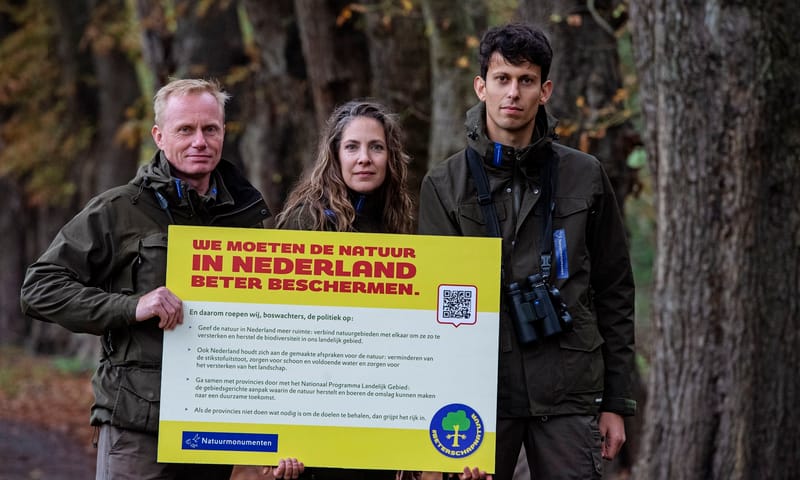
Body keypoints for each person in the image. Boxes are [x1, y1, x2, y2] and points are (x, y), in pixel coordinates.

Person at [19, 78, 303, 480]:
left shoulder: (249, 219)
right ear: (159, 136)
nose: (199, 141)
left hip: (212, 425)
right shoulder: (119, 209)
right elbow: (39, 289)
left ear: (224, 132)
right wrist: (132, 306)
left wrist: (278, 433)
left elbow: (271, 330)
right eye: (185, 129)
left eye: (210, 129)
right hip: (138, 424)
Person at [417, 23, 637, 480]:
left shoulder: (586, 176)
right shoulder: (444, 184)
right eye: (501, 79)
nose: (512, 93)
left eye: (526, 80)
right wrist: (435, 408)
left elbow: (614, 291)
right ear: (481, 87)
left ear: (545, 89)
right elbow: (435, 307)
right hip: (479, 396)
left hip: (569, 392)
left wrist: (616, 402)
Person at [276, 100, 414, 479]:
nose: (364, 158)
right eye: (352, 147)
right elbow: (280, 333)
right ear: (335, 155)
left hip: (375, 419)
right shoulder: (306, 221)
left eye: (376, 147)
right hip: (314, 420)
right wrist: (281, 432)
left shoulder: (396, 226)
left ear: (390, 157)